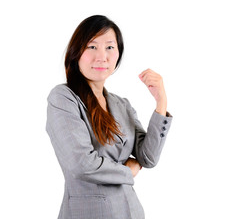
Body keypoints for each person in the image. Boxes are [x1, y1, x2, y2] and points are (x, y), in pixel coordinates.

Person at [46, 15, 172, 219]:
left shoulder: (122, 104)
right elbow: (81, 164)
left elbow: (148, 158)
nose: (101, 56)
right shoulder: (63, 98)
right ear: (76, 52)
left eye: (110, 47)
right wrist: (127, 172)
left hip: (131, 211)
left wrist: (161, 103)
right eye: (92, 47)